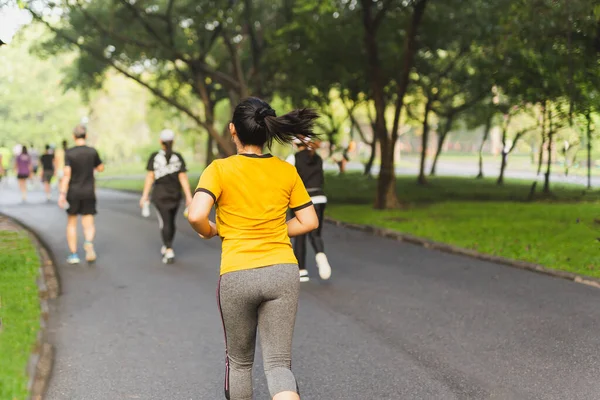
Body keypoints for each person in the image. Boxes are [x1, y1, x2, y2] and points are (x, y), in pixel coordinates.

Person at [188, 97, 319, 400]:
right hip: (282, 272)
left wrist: (210, 232)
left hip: (237, 274)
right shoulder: (285, 171)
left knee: (240, 364)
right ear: (267, 132)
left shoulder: (219, 169)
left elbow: (196, 214)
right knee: (277, 365)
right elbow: (309, 220)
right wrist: (275, 230)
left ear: (233, 129)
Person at [140, 129, 193, 264]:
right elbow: (183, 177)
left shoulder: (155, 157)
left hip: (160, 195)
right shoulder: (178, 157)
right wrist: (189, 197)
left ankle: (168, 249)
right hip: (175, 195)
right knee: (170, 221)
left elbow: (150, 177)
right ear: (173, 142)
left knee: (164, 222)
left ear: (160, 142)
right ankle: (168, 245)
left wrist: (145, 195)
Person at [286, 138, 332, 282]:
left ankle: (302, 271)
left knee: (300, 235)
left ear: (295, 145)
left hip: (302, 201)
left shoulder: (293, 158)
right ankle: (320, 254)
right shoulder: (317, 158)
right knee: (315, 234)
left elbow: (286, 180)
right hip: (320, 198)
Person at [58, 125, 104, 264]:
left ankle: (73, 255)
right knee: (88, 222)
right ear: (86, 136)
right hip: (89, 191)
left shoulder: (70, 153)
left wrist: (62, 193)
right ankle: (88, 243)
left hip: (73, 191)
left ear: (73, 136)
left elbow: (67, 174)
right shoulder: (92, 152)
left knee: (72, 223)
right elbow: (101, 168)